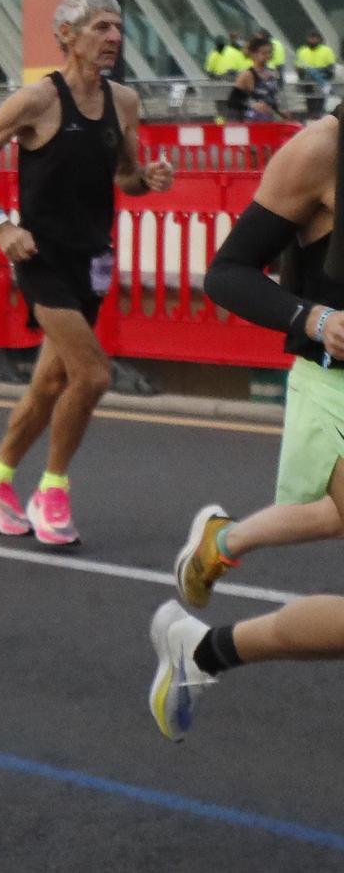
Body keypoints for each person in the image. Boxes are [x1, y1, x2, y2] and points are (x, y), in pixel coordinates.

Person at [0, 0, 174, 547]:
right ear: (67, 37)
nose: (113, 38)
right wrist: (3, 226)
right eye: (101, 27)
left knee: (50, 381)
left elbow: (124, 177)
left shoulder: (123, 101)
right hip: (41, 258)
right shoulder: (37, 101)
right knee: (93, 375)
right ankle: (52, 489)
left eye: (117, 27)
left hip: (92, 259)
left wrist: (147, 181)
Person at [149, 108, 344, 739]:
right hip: (335, 389)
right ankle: (202, 644)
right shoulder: (321, 150)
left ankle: (201, 648)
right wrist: (313, 319)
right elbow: (227, 273)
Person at [225, 36, 283, 122]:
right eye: (263, 53)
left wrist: (280, 111)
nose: (267, 56)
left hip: (271, 121)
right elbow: (232, 102)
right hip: (254, 122)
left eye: (269, 53)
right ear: (253, 54)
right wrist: (251, 105)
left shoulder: (273, 73)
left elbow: (272, 98)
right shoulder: (247, 75)